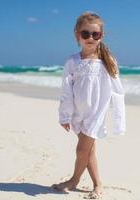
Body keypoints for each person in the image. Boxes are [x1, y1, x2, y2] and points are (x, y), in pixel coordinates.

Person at [52, 11, 126, 199]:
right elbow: (66, 91)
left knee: (81, 150)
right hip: (78, 113)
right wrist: (65, 115)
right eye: (86, 34)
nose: (90, 38)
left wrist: (118, 120)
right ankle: (97, 184)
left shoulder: (108, 62)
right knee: (89, 150)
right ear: (77, 35)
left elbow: (117, 92)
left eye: (95, 34)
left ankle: (74, 180)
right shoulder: (72, 62)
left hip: (96, 114)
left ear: (101, 36)